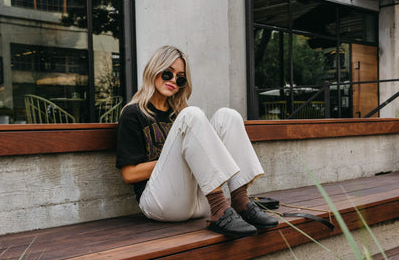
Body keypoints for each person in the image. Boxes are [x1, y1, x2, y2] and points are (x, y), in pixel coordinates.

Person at [116, 45, 278, 237]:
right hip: (159, 204)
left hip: (197, 203)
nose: (174, 80)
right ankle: (219, 209)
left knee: (228, 116)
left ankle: (240, 201)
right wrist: (173, 159)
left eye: (180, 78)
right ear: (155, 70)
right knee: (191, 114)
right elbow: (129, 174)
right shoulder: (133, 113)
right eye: (168, 73)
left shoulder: (178, 114)